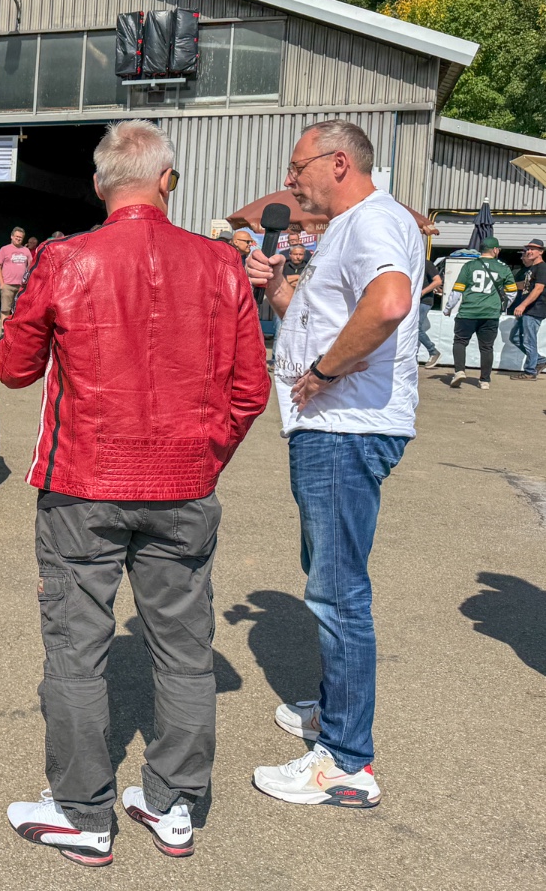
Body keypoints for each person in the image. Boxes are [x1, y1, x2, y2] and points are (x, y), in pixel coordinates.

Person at [0, 120, 269, 864]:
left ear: (98, 184)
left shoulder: (65, 258)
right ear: (168, 181)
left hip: (83, 482)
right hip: (183, 484)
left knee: (75, 651)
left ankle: (82, 812)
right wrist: (204, 456)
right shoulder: (220, 263)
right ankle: (173, 801)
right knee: (184, 650)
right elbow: (250, 389)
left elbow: (13, 369)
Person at [244, 119, 422, 811]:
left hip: (346, 429)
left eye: (298, 168)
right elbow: (322, 315)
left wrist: (321, 372)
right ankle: (335, 712)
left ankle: (346, 761)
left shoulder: (372, 220)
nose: (290, 182)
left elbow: (390, 303)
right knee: (328, 578)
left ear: (339, 162)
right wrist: (277, 288)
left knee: (338, 593)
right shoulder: (350, 227)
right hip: (333, 429)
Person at [444, 235, 517, 389]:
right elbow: (512, 292)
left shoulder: (469, 266)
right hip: (490, 313)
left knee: (460, 341)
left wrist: (448, 308)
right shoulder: (503, 267)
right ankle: (485, 380)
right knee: (486, 347)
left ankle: (459, 371)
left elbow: (457, 290)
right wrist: (501, 307)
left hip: (468, 312)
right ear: (495, 250)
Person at [509, 237, 546, 379]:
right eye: (528, 249)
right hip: (527, 310)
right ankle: (540, 360)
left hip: (535, 309)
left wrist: (522, 305)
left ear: (541, 252)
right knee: (515, 338)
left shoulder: (542, 267)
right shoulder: (531, 268)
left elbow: (538, 289)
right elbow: (525, 286)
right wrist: (505, 285)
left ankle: (530, 371)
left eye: (533, 249)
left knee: (528, 341)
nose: (529, 251)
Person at [415, 254, 443, 369]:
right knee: (412, 329)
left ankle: (433, 351)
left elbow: (437, 281)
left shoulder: (426, 263)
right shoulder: (412, 264)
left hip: (424, 301)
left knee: (416, 328)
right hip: (415, 301)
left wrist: (421, 292)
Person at [0, 228, 32, 318]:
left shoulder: (26, 250)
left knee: (19, 310)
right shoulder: (4, 249)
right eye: (17, 236)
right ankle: (4, 326)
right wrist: (1, 284)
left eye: (20, 237)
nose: (18, 239)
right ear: (12, 236)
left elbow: (31, 267)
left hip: (22, 286)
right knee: (5, 309)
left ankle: (16, 327)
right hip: (7, 285)